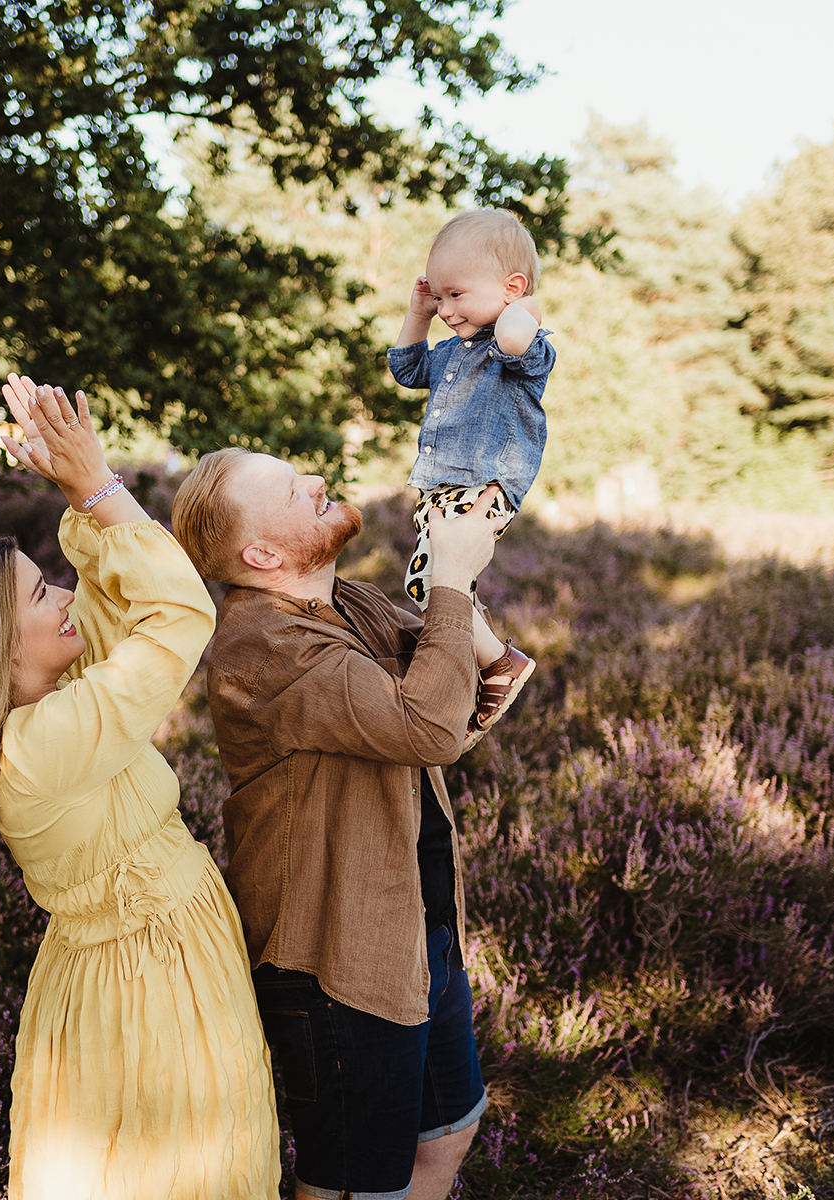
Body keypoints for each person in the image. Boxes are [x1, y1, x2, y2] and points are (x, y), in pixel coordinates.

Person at [0, 377, 278, 1199]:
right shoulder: (39, 750)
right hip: (147, 987)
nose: (61, 594)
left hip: (158, 958)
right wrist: (98, 488)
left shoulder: (52, 705)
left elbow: (114, 600)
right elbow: (176, 615)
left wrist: (79, 490)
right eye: (39, 593)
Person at [171, 447, 507, 1200]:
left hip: (418, 922)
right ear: (260, 552)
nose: (317, 481)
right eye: (293, 491)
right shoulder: (262, 646)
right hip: (336, 955)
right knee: (349, 1182)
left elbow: (470, 692)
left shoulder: (347, 603)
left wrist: (457, 570)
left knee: (450, 1129)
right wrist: (451, 586)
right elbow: (429, 725)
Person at [390, 206, 557, 730]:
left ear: (511, 288)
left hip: (482, 484)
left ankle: (501, 665)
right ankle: (481, 664)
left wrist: (522, 304)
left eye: (455, 295)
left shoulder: (525, 347)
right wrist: (418, 312)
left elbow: (511, 338)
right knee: (439, 586)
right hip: (441, 486)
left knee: (430, 583)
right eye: (438, 296)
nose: (444, 309)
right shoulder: (449, 352)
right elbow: (405, 367)